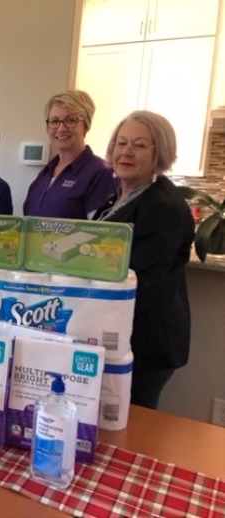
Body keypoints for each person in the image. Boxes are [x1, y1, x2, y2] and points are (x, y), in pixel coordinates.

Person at [95, 110, 194, 409]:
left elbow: (141, 282)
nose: (126, 151)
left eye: (139, 145)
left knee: (131, 421)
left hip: (146, 342)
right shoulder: (120, 197)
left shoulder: (162, 206)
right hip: (121, 334)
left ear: (159, 153)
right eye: (121, 143)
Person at [23, 90, 117, 219]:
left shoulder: (100, 173)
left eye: (71, 120)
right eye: (54, 121)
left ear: (86, 126)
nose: (61, 128)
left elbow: (100, 233)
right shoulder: (44, 174)